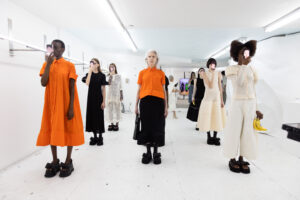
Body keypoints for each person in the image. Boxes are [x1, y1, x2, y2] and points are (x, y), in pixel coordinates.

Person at [37, 39, 84, 178]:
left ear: (63, 49)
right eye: (52, 47)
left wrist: (71, 107)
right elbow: (43, 83)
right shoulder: (47, 64)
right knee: (52, 130)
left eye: (57, 47)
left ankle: (68, 161)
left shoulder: (69, 65)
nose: (54, 50)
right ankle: (55, 160)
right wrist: (48, 65)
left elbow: (72, 88)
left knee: (69, 129)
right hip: (51, 105)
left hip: (66, 103)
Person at [223, 40, 263, 174]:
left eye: (246, 52)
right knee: (235, 130)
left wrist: (257, 108)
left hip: (250, 103)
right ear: (236, 55)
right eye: (242, 53)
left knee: (248, 132)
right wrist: (243, 66)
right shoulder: (231, 69)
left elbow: (253, 89)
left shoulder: (252, 70)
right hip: (237, 103)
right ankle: (232, 158)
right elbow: (239, 83)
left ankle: (241, 157)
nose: (245, 55)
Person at [135, 50, 168, 165]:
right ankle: (148, 152)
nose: (151, 58)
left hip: (158, 103)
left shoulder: (161, 73)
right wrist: (136, 105)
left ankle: (156, 152)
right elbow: (139, 90)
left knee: (157, 127)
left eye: (153, 56)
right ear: (146, 59)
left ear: (156, 59)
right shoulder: (142, 73)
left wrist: (166, 107)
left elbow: (164, 91)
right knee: (146, 127)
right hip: (145, 103)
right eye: (149, 56)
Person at [197, 58, 225, 145]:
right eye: (211, 64)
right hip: (208, 98)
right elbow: (210, 85)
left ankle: (215, 136)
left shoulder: (218, 73)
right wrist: (212, 75)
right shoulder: (204, 73)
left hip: (216, 97)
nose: (213, 66)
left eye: (214, 64)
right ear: (208, 64)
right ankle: (209, 136)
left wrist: (222, 100)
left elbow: (220, 87)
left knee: (217, 117)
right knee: (207, 117)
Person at [82, 58, 107, 146]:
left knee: (99, 117)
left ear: (98, 65)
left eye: (94, 63)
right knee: (92, 117)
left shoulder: (102, 75)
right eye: (91, 63)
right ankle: (95, 136)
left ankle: (100, 136)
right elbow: (87, 83)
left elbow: (104, 89)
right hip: (91, 99)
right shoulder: (89, 74)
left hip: (99, 98)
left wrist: (104, 101)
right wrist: (89, 71)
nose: (92, 64)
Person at [107, 63, 123, 131]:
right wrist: (110, 76)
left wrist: (121, 95)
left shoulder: (118, 76)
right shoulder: (108, 76)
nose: (111, 68)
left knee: (117, 109)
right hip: (110, 95)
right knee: (110, 110)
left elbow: (121, 86)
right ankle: (111, 123)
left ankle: (116, 123)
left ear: (115, 68)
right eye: (110, 67)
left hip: (117, 95)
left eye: (113, 67)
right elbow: (108, 84)